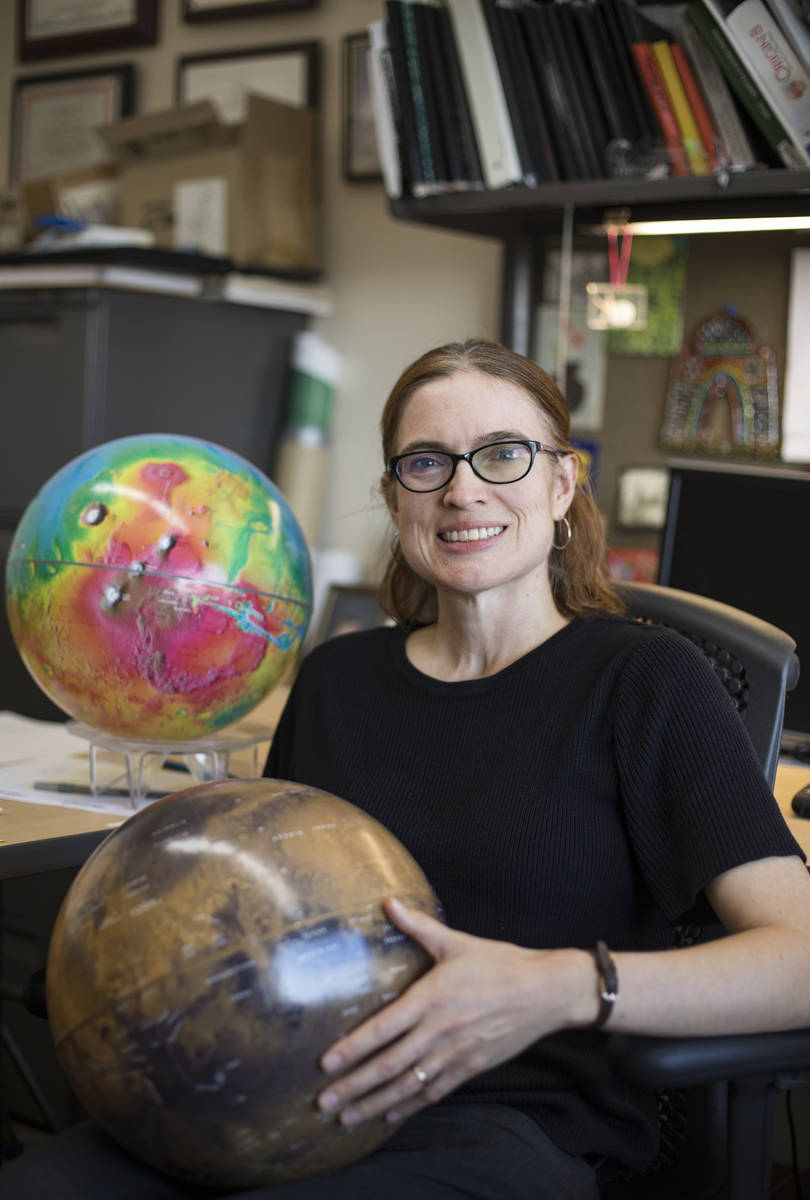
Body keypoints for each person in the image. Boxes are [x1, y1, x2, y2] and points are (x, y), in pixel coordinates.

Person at [3, 337, 810, 1200]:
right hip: (285, 1098)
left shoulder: (646, 681)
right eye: (427, 463)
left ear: (561, 483)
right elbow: (271, 917)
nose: (464, 489)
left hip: (506, 1128)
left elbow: (799, 958)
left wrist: (567, 987)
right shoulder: (336, 680)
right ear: (395, 497)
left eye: (504, 454)